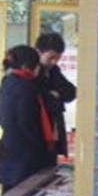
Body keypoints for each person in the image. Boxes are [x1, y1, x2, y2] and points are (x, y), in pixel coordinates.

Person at [0, 45, 49, 194]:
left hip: (8, 147)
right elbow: (27, 121)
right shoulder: (27, 87)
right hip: (25, 153)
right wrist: (39, 145)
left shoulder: (7, 82)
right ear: (28, 66)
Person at [35, 32, 77, 166]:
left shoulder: (54, 71)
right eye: (51, 58)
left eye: (57, 58)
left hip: (54, 132)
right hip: (38, 134)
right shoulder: (32, 73)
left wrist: (56, 94)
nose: (54, 62)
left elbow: (71, 92)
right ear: (39, 52)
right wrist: (53, 95)